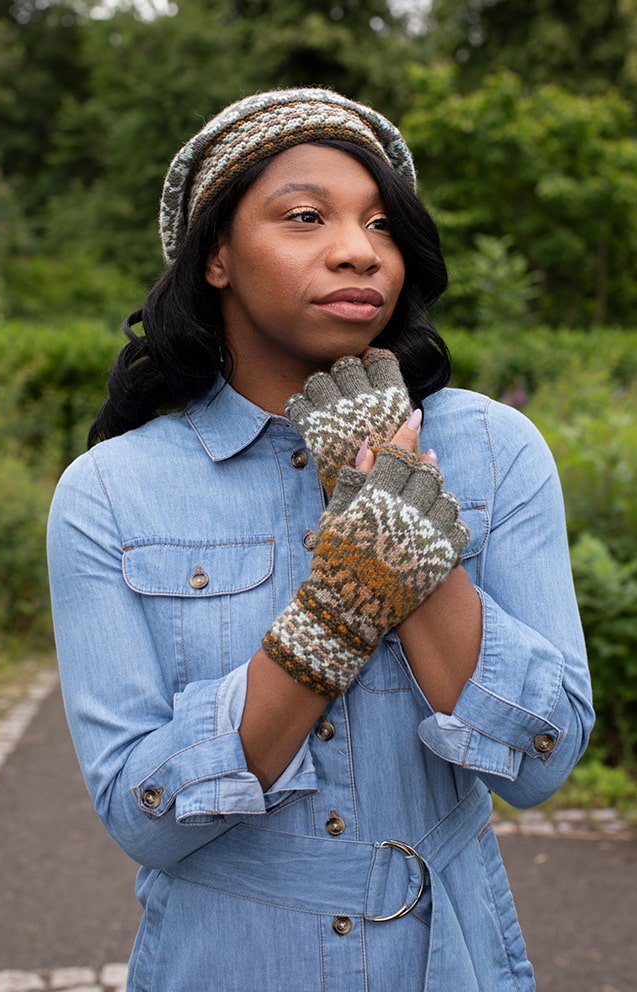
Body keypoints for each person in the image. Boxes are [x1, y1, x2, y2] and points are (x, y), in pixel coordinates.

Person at [47, 88, 594, 992]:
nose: (356, 249)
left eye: (381, 225)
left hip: (447, 960)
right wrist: (339, 609)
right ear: (215, 255)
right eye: (305, 216)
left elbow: (544, 760)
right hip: (224, 962)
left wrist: (398, 524)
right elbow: (141, 812)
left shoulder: (493, 451)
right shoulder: (110, 493)